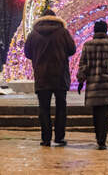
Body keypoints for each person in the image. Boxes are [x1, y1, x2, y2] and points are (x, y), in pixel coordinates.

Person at [24, 9, 76, 147]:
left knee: (44, 108)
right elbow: (72, 49)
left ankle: (45, 139)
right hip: (60, 75)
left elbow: (27, 53)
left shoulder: (33, 34)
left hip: (41, 75)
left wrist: (38, 57)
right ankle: (59, 137)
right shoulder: (63, 32)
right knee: (61, 107)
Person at [76, 20, 108, 150]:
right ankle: (103, 140)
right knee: (105, 113)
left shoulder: (87, 45)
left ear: (94, 30)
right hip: (107, 83)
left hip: (93, 83)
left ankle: (98, 137)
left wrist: (81, 80)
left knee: (95, 112)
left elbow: (83, 64)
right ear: (106, 30)